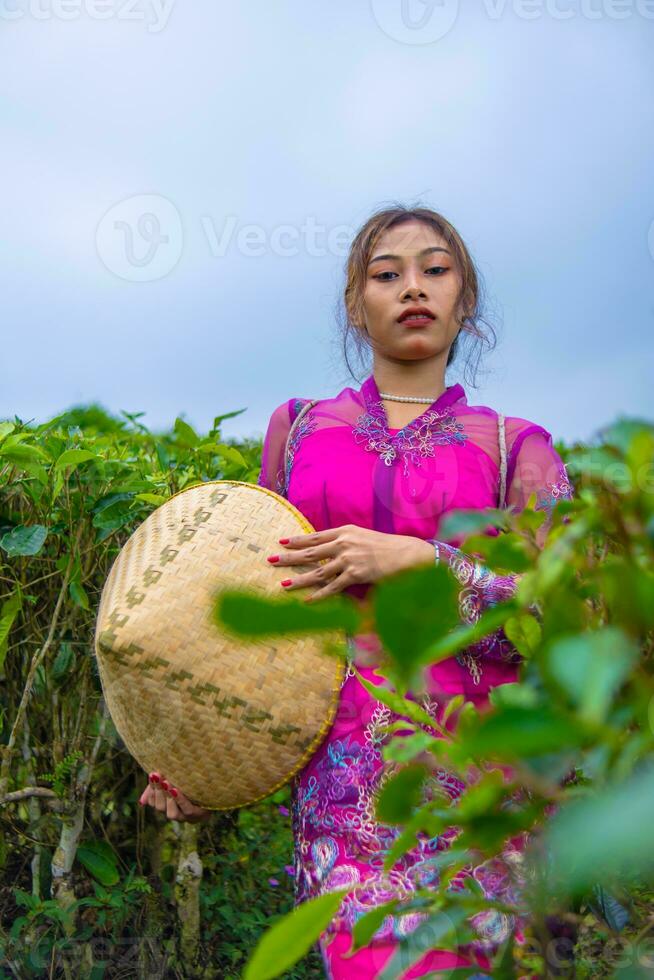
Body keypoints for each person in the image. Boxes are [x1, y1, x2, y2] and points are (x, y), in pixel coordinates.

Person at [140, 205, 575, 979]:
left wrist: (423, 560)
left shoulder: (517, 448)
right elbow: (258, 608)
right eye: (387, 273)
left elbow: (561, 630)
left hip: (482, 802)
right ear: (355, 304)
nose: (414, 287)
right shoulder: (299, 430)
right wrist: (201, 754)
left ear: (465, 300)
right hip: (344, 800)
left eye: (436, 270)